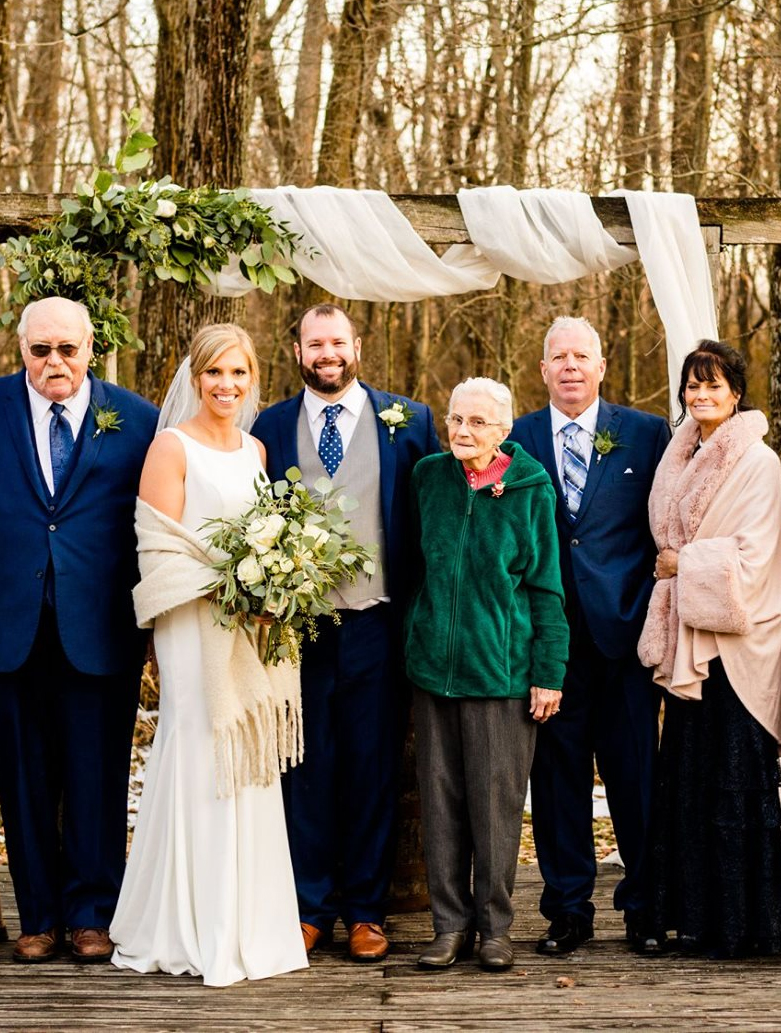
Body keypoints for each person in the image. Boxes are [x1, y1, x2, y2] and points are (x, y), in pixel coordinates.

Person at [0, 296, 159, 964]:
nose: (54, 362)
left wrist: (153, 619)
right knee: (24, 775)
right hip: (7, 624)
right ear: (21, 347)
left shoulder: (140, 419)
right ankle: (38, 914)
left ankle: (93, 911)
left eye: (67, 348)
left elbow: (148, 529)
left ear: (90, 347)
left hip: (101, 627)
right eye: (41, 349)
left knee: (99, 776)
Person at [112, 323, 309, 986]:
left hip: (248, 627)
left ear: (253, 380)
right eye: (214, 374)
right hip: (192, 624)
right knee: (199, 746)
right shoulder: (171, 447)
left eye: (239, 374)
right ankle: (189, 922)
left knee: (246, 751)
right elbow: (159, 551)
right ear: (194, 378)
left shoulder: (256, 450)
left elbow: (267, 535)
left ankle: (250, 921)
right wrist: (229, 582)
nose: (227, 385)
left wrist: (271, 582)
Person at [249, 304, 439, 963]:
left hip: (377, 624)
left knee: (372, 766)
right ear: (298, 350)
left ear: (356, 347)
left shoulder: (409, 421)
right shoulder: (269, 425)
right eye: (314, 343)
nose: (327, 353)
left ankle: (365, 909)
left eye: (337, 341)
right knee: (303, 765)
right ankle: (308, 905)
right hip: (296, 629)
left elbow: (434, 517)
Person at [509, 317, 672, 958]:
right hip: (549, 644)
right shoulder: (517, 438)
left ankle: (646, 908)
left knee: (636, 780)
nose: (570, 366)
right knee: (557, 783)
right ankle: (568, 909)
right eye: (558, 356)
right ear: (544, 369)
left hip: (626, 635)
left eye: (582, 355)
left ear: (602, 366)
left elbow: (665, 524)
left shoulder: (646, 433)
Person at [404, 378, 568, 972]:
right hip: (433, 674)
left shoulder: (530, 489)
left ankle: (495, 929)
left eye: (477, 422)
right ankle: (449, 928)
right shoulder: (428, 478)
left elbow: (548, 589)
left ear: (504, 430)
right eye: (455, 419)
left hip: (501, 676)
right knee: (441, 804)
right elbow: (412, 568)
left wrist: (549, 672)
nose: (462, 431)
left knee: (496, 808)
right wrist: (414, 640)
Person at [636, 340, 781, 959]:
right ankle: (695, 918)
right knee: (691, 777)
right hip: (687, 637)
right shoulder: (680, 451)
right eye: (692, 386)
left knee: (734, 780)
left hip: (735, 645)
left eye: (714, 385)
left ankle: (745, 925)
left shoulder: (758, 461)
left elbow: (753, 557)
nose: (701, 396)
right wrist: (678, 564)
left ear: (736, 392)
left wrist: (682, 562)